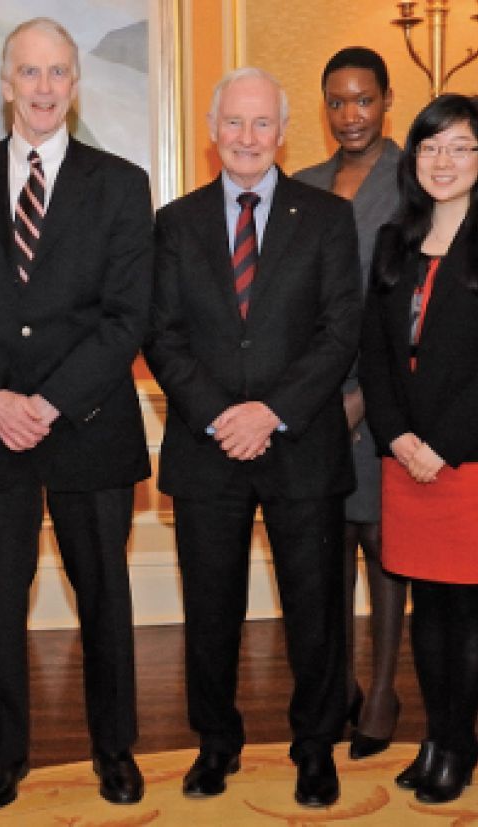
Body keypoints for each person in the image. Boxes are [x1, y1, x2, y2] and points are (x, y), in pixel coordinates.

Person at [0, 16, 152, 811]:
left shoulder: (122, 184)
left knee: (105, 598)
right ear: (5, 83)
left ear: (76, 84)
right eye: (31, 73)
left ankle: (115, 749)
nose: (46, 88)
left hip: (89, 426)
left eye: (60, 73)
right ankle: (3, 753)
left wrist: (51, 401)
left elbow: (128, 317)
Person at [146, 66, 361, 808]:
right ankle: (216, 742)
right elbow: (162, 336)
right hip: (207, 450)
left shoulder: (328, 217)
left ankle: (315, 746)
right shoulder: (173, 224)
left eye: (261, 123)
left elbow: (340, 334)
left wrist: (269, 411)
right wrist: (223, 414)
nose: (247, 137)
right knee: (211, 612)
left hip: (301, 445)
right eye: (233, 123)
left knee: (316, 613)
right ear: (212, 132)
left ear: (282, 131)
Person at [358, 93, 478, 805]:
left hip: (475, 457)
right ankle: (437, 734)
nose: (443, 160)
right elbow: (374, 351)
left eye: (460, 146)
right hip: (404, 456)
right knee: (424, 608)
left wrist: (441, 445)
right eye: (430, 146)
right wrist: (398, 436)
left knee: (465, 608)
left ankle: (458, 742)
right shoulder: (392, 239)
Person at [293, 46, 405, 760]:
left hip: (388, 394)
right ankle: (337, 684)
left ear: (386, 99)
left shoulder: (416, 177)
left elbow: (410, 302)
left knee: (383, 544)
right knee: (324, 549)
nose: (350, 114)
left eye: (363, 99)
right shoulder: (302, 183)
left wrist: (367, 394)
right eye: (337, 101)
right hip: (312, 399)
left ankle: (387, 686)